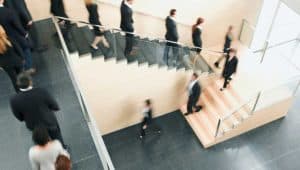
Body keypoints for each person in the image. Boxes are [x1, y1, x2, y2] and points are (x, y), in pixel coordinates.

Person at [10, 73, 67, 147]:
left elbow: (19, 117)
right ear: (30, 82)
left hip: (33, 126)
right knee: (57, 138)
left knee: (42, 143)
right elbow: (55, 106)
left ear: (18, 84)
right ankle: (62, 149)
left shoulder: (14, 99)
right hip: (49, 121)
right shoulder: (41, 91)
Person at [0, 0, 36, 74]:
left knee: (15, 52)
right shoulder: (8, 11)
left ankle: (20, 69)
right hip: (16, 35)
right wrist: (24, 33)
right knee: (26, 49)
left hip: (4, 38)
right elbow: (17, 26)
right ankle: (28, 68)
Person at [0, 25, 24, 92]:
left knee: (14, 79)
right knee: (22, 76)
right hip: (16, 60)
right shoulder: (8, 39)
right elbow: (18, 49)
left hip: (6, 65)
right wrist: (22, 58)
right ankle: (26, 88)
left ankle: (19, 93)